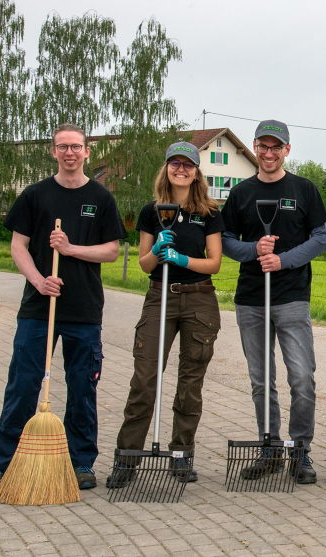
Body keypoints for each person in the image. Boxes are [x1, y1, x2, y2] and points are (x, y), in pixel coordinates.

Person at [0, 123, 126, 496]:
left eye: (76, 147)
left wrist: (71, 249)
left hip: (83, 310)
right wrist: (38, 280)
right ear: (53, 151)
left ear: (87, 151)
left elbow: (111, 250)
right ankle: (3, 465)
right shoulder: (35, 195)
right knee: (23, 386)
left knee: (82, 389)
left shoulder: (101, 198)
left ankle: (80, 462)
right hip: (37, 309)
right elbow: (18, 247)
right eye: (63, 147)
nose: (70, 153)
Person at [106, 142, 224, 488]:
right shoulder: (151, 212)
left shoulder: (209, 212)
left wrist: (184, 260)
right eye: (176, 164)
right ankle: (127, 458)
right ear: (167, 168)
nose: (182, 170)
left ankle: (181, 455)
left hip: (200, 300)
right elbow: (143, 263)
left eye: (188, 165)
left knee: (190, 383)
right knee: (144, 379)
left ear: (197, 171)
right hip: (160, 297)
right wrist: (158, 251)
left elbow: (214, 263)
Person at [221, 120, 326, 484]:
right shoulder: (241, 193)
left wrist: (283, 260)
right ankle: (270, 450)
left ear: (287, 149)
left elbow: (321, 238)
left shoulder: (303, 189)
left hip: (291, 297)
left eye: (276, 147)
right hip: (251, 299)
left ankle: (300, 451)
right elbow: (223, 239)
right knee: (260, 381)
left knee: (301, 378)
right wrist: (253, 250)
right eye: (263, 146)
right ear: (254, 147)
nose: (269, 153)